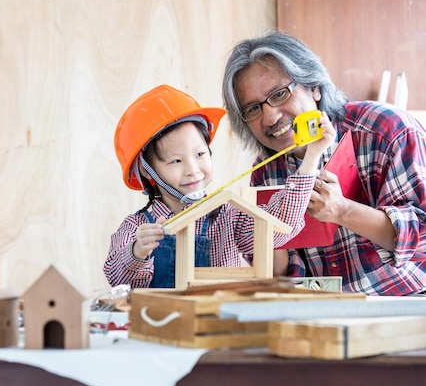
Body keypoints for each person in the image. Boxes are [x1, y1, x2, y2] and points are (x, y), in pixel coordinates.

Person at [222, 31, 426, 296]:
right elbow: (282, 278)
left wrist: (342, 210)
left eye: (280, 94)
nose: (270, 116)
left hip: (412, 302)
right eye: (252, 109)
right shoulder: (264, 172)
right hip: (326, 309)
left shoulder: (387, 129)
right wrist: (262, 234)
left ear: (314, 87)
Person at [103, 84, 335, 288]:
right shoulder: (138, 227)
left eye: (200, 154)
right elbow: (116, 278)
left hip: (219, 329)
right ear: (147, 171)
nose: (193, 169)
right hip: (160, 331)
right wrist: (138, 251)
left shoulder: (227, 216)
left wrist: (311, 158)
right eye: (176, 161)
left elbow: (281, 224)